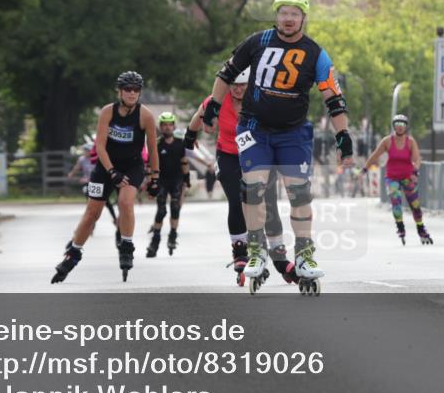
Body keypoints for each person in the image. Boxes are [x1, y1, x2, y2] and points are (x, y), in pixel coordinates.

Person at [201, 0, 354, 295]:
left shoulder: (316, 53)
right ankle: (257, 250)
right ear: (276, 15)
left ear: (303, 18)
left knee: (299, 192)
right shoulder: (257, 42)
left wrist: (343, 136)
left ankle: (305, 254)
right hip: (255, 128)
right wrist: (214, 105)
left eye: (294, 14)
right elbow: (226, 74)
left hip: (293, 131)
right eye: (283, 13)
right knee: (253, 187)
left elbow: (334, 99)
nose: (288, 19)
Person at [52, 71, 160, 284]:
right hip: (105, 167)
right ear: (119, 91)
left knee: (125, 202)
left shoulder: (145, 115)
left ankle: (127, 245)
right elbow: (99, 146)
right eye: (127, 89)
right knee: (92, 213)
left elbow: (153, 150)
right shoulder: (107, 112)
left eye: (136, 90)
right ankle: (73, 253)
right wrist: (111, 171)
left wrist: (155, 177)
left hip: (132, 167)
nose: (132, 93)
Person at [185, 67, 286, 286]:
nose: (238, 89)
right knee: (237, 198)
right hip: (228, 155)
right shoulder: (219, 99)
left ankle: (275, 250)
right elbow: (198, 116)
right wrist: (190, 135)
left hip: (257, 156)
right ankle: (240, 250)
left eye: (243, 85)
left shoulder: (260, 100)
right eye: (234, 85)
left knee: (265, 201)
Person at [361, 114, 432, 245]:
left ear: (406, 127)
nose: (399, 128)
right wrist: (364, 169)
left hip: (407, 177)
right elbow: (375, 155)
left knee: (415, 205)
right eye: (397, 125)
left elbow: (417, 159)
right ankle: (400, 226)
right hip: (392, 177)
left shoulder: (410, 142)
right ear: (393, 126)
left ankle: (421, 228)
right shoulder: (387, 141)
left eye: (402, 125)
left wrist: (415, 171)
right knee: (396, 202)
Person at [147, 112, 190, 257]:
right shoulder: (157, 144)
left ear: (173, 126)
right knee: (161, 211)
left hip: (177, 180)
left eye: (170, 125)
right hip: (162, 180)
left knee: (175, 208)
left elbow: (184, 161)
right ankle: (155, 240)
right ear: (160, 127)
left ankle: (172, 235)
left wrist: (187, 178)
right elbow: (150, 165)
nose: (167, 127)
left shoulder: (180, 143)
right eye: (164, 125)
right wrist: (150, 183)